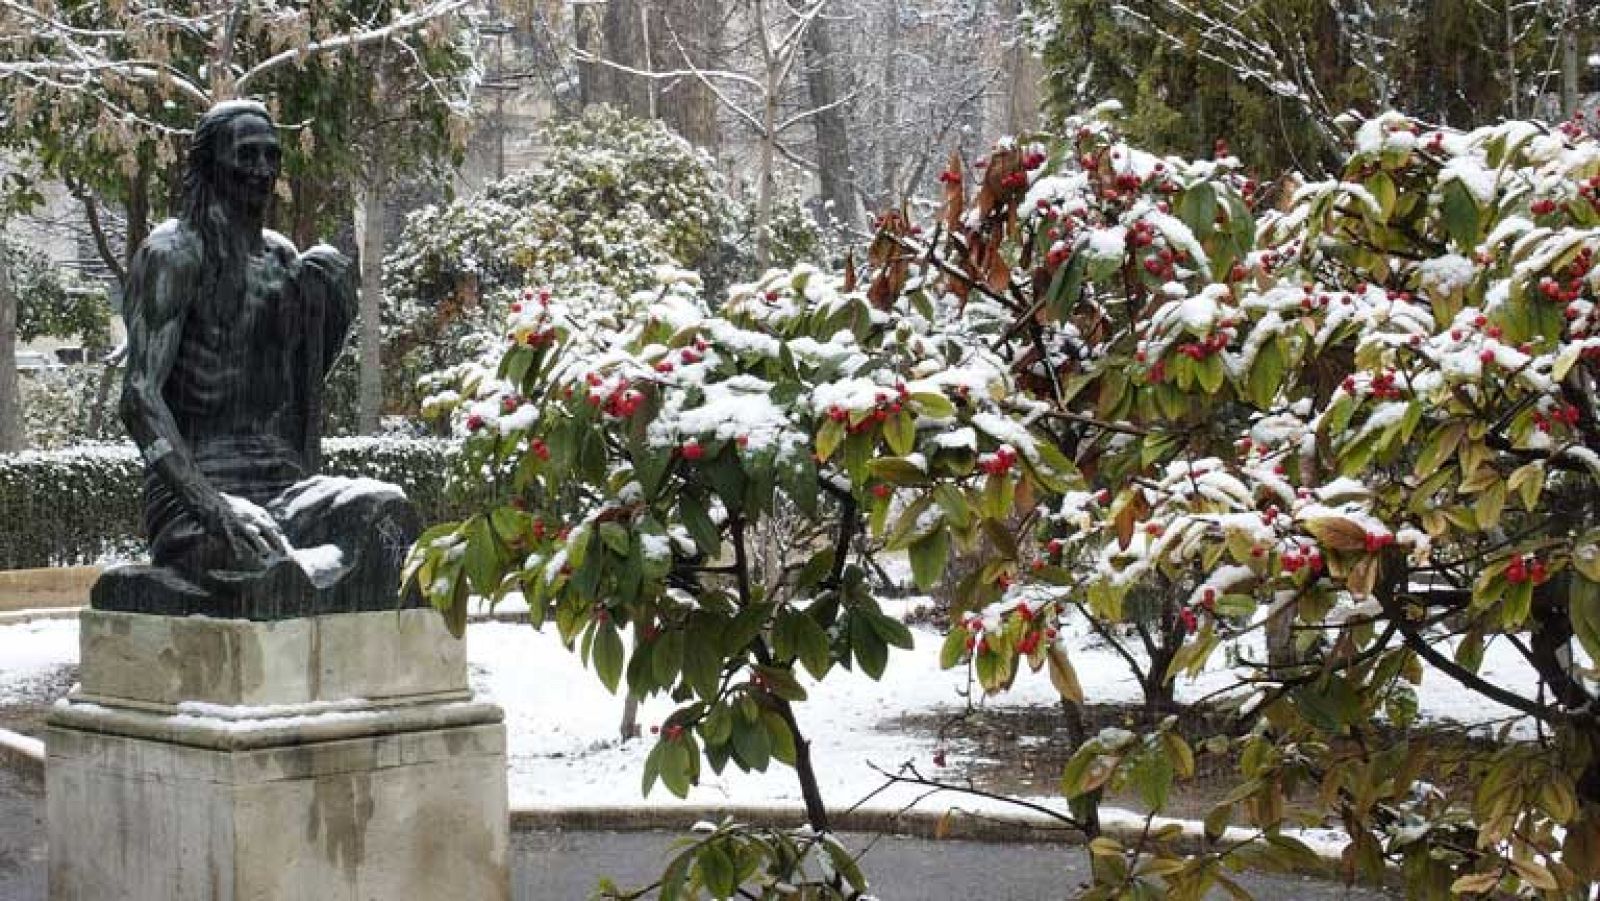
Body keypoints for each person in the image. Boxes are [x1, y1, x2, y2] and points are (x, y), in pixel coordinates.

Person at [96, 101, 420, 618]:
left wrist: (325, 299)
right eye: (247, 156)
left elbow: (298, 385)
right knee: (265, 566)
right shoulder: (173, 255)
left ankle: (309, 586)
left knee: (387, 518)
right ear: (209, 166)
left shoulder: (285, 262)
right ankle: (170, 585)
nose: (263, 170)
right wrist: (210, 505)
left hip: (281, 482)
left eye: (272, 156)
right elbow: (138, 399)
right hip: (194, 494)